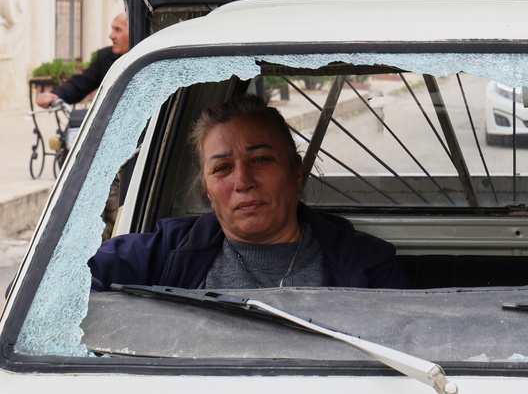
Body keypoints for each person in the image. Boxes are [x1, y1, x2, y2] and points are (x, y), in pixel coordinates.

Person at [89, 94, 408, 291]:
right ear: (207, 190)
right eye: (222, 168)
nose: (243, 180)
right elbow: (59, 280)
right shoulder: (163, 254)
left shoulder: (366, 265)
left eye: (260, 160)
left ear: (297, 172)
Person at [35, 13, 129, 109]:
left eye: (118, 30)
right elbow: (80, 84)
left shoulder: (145, 60)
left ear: (134, 30)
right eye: (112, 29)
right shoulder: (105, 56)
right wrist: (55, 95)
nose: (111, 36)